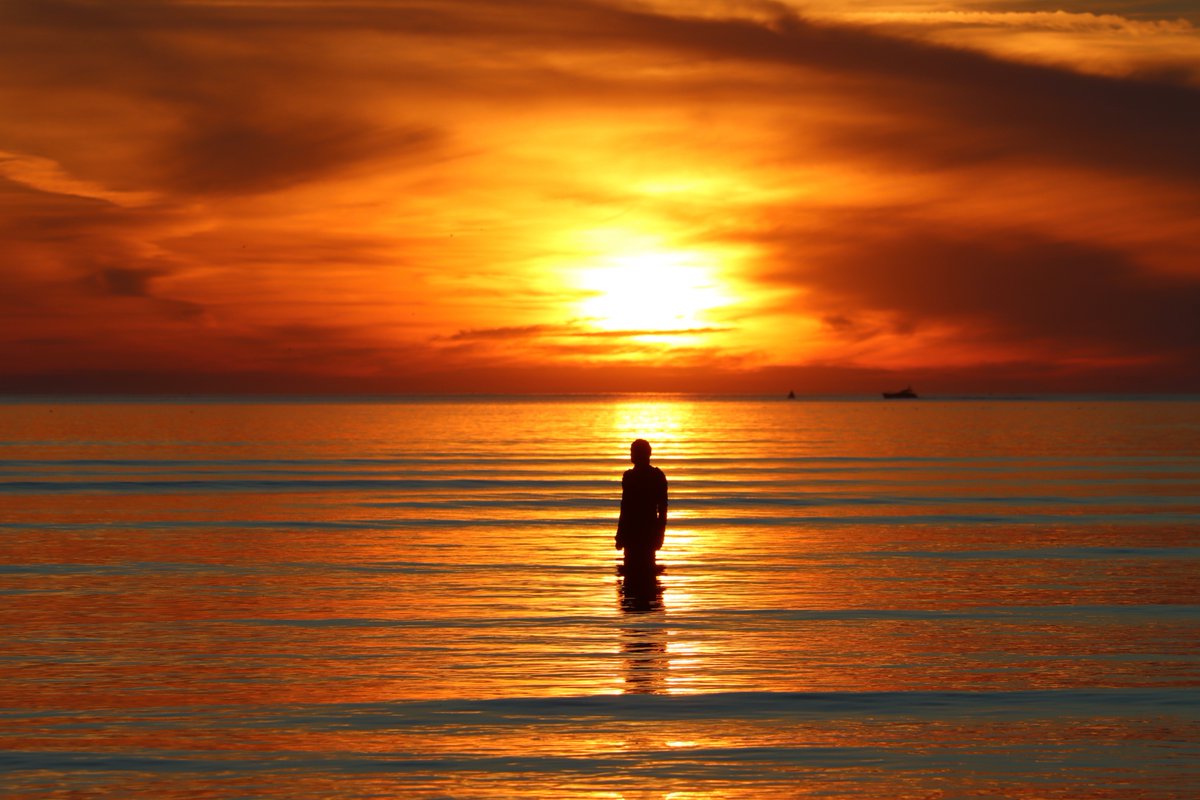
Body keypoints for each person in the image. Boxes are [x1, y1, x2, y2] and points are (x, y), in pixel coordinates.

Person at [615, 438, 668, 575]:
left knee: (644, 575)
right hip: (634, 533)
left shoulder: (656, 476)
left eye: (634, 452)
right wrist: (620, 536)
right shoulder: (629, 476)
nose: (631, 455)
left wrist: (659, 535)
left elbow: (662, 509)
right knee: (635, 577)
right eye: (631, 451)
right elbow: (625, 507)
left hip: (646, 533)